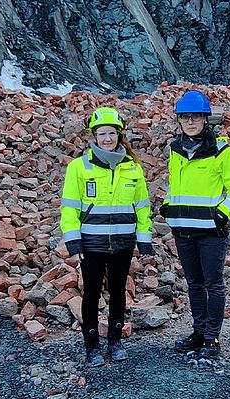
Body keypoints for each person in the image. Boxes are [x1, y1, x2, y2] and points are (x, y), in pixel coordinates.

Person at [60, 106, 154, 368]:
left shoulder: (133, 169)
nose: (107, 139)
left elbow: (142, 207)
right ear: (94, 135)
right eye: (102, 133)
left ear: (119, 135)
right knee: (90, 294)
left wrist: (144, 238)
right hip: (91, 243)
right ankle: (92, 347)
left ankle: (115, 341)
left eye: (112, 133)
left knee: (118, 292)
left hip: (123, 243)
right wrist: (73, 242)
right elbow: (69, 208)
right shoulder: (79, 167)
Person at [160, 90, 230, 358]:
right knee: (194, 283)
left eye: (196, 116)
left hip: (211, 231)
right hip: (183, 229)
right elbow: (176, 186)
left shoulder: (220, 150)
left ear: (205, 118)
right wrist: (168, 203)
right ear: (180, 120)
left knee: (213, 283)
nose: (191, 122)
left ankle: (212, 338)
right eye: (186, 117)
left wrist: (222, 214)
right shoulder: (175, 150)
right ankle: (198, 332)